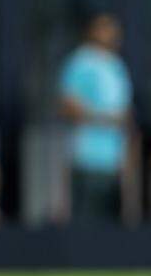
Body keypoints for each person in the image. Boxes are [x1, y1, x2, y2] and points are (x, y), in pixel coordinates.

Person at [57, 13, 134, 223]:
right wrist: (105, 118)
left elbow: (125, 114)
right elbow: (67, 107)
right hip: (86, 159)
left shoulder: (117, 66)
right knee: (86, 224)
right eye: (103, 28)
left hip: (114, 161)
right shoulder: (80, 62)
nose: (109, 34)